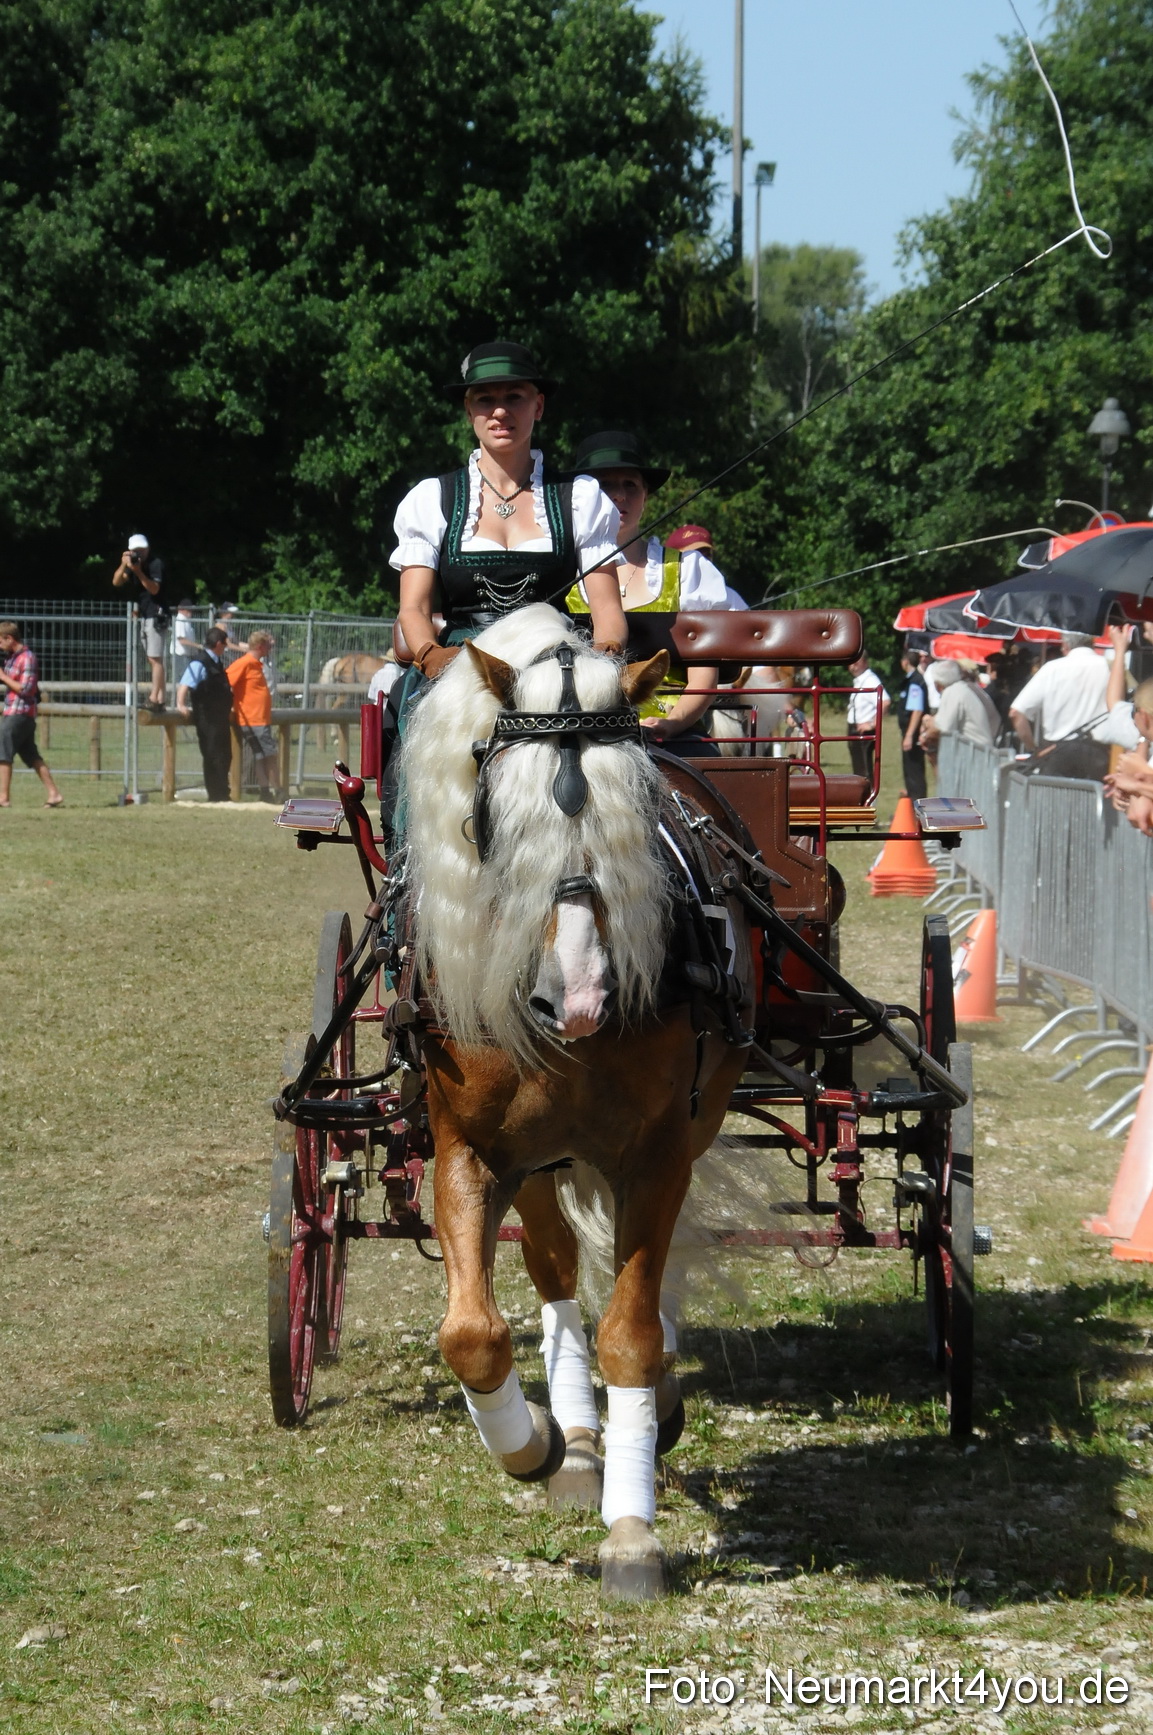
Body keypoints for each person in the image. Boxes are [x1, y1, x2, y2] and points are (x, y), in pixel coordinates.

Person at [392, 340, 626, 687]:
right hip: (463, 668)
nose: (500, 411)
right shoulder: (432, 499)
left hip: (552, 666)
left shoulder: (579, 498)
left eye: (514, 396)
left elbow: (607, 610)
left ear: (539, 406)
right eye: (485, 399)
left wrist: (603, 657)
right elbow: (414, 609)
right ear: (469, 410)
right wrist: (429, 654)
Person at [564, 430, 746, 756]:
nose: (619, 496)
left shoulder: (688, 570)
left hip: (675, 738)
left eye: (630, 485)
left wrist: (672, 723)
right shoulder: (561, 573)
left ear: (646, 495)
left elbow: (704, 676)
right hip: (580, 737)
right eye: (605, 485)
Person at [1008, 632, 1110, 755]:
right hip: (1099, 751)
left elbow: (1016, 713)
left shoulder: (1051, 668)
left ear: (1066, 646)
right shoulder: (1111, 666)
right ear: (1092, 644)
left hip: (1056, 751)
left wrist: (1034, 749)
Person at [0, 620, 63, 807]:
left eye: (1, 641)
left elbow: (26, 689)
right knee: (32, 756)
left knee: (2, 753)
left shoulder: (27, 658)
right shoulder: (11, 658)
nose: (0, 646)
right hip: (14, 711)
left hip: (20, 713)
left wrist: (3, 677)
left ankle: (2, 797)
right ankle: (54, 794)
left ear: (9, 638)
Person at [176, 626, 233, 801]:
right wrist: (180, 704)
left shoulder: (216, 662)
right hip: (207, 718)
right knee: (212, 755)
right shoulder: (199, 662)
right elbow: (185, 684)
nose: (225, 647)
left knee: (225, 754)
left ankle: (223, 793)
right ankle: (216, 795)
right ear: (217, 644)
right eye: (224, 644)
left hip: (220, 717)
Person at [112, 532, 168, 711]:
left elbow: (154, 589)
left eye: (142, 550)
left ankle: (154, 698)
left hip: (156, 614)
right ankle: (160, 698)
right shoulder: (133, 565)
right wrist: (124, 565)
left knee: (155, 658)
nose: (140, 554)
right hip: (145, 615)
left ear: (148, 549)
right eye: (136, 551)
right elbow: (116, 582)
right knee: (153, 659)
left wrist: (139, 572)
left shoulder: (154, 564)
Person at [226, 629, 279, 800]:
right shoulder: (245, 663)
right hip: (253, 719)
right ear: (259, 646)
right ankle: (278, 791)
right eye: (267, 645)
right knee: (270, 755)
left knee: (261, 755)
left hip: (260, 719)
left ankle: (265, 791)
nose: (270, 647)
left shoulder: (257, 664)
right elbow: (226, 682)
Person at [919, 659, 1000, 749]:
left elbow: (943, 729)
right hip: (980, 748)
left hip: (976, 752)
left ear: (937, 684)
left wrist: (925, 735)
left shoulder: (953, 691)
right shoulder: (961, 688)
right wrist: (929, 722)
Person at [845, 652, 890, 784]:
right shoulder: (859, 680)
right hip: (854, 728)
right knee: (858, 766)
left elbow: (885, 701)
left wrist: (872, 724)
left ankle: (868, 798)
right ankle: (861, 797)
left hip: (863, 730)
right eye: (851, 664)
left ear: (865, 662)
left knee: (864, 769)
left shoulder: (870, 680)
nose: (853, 667)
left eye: (856, 663)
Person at [896, 649, 929, 798]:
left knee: (914, 769)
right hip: (908, 730)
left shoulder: (915, 681)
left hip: (912, 731)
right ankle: (911, 799)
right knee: (908, 768)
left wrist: (909, 735)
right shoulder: (911, 680)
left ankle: (917, 804)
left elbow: (916, 709)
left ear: (905, 662)